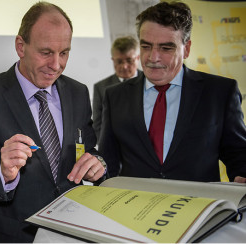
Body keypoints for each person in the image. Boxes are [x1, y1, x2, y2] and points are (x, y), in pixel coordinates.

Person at [0, 2, 106, 242]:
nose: (56, 65)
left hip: (74, 231)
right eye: (46, 52)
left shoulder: (78, 92)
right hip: (16, 235)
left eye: (64, 52)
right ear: (20, 46)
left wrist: (98, 164)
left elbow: (87, 150)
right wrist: (3, 173)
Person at [98, 1, 246, 183]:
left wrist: (242, 176)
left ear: (187, 49)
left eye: (166, 48)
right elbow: (107, 161)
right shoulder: (115, 96)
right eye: (146, 46)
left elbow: (238, 154)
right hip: (136, 207)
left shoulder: (219, 93)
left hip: (199, 206)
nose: (153, 57)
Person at [92, 36, 143, 142]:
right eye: (119, 61)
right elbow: (98, 126)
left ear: (138, 58)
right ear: (113, 60)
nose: (124, 66)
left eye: (129, 60)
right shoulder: (100, 88)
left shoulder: (151, 82)